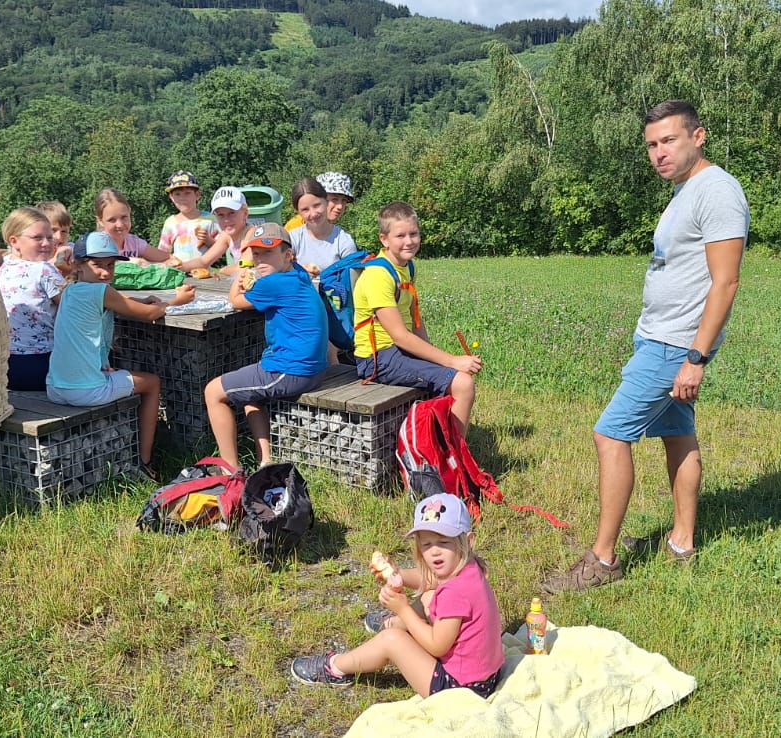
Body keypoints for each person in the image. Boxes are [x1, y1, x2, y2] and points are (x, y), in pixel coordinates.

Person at [541, 99, 748, 593]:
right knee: (677, 433)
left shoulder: (717, 191)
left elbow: (726, 282)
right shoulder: (686, 190)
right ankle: (681, 544)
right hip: (662, 336)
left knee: (611, 435)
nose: (659, 153)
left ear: (698, 136)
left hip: (675, 344)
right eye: (652, 145)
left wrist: (695, 357)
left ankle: (602, 560)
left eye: (669, 140)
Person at [290, 492, 504, 698]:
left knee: (391, 640)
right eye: (426, 544)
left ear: (468, 541)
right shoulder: (468, 567)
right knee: (429, 596)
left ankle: (336, 667)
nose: (434, 551)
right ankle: (393, 623)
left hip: (460, 690)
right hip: (484, 677)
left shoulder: (454, 592)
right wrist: (398, 574)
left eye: (444, 542)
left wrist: (403, 610)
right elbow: (431, 580)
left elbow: (437, 646)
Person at [47, 237, 195, 478]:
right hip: (85, 391)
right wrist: (177, 301)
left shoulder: (70, 290)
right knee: (152, 382)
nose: (106, 272)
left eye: (111, 265)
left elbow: (117, 303)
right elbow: (150, 314)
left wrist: (139, 301)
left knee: (121, 373)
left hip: (55, 386)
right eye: (98, 265)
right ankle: (145, 462)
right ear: (78, 264)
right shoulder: (102, 290)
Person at [202, 223, 328, 469]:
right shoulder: (298, 273)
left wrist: (242, 270)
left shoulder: (274, 283)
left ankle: (229, 468)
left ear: (288, 254)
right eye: (256, 253)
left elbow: (235, 300)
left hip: (291, 370)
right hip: (313, 368)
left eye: (267, 253)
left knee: (213, 391)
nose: (259, 260)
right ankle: (265, 461)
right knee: (250, 395)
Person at [353, 201, 481, 429]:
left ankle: (436, 440)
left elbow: (415, 322)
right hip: (377, 358)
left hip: (397, 351)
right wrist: (452, 361)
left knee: (452, 374)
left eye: (413, 234)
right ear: (384, 239)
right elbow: (400, 336)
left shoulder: (408, 267)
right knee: (462, 384)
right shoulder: (378, 275)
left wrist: (436, 357)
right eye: (400, 236)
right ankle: (452, 450)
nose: (409, 241)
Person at [0, 207, 65, 391]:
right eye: (37, 238)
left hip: (2, 367)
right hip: (42, 364)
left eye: (49, 237)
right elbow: (74, 308)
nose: (47, 243)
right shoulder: (44, 270)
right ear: (14, 241)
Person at [286, 177, 358, 277]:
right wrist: (298, 273)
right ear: (297, 211)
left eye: (317, 205)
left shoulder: (344, 242)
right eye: (305, 209)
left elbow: (352, 280)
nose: (313, 214)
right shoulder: (292, 238)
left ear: (326, 202)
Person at [157, 171, 225, 271]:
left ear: (197, 195)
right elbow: (162, 252)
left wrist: (208, 240)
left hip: (204, 273)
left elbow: (221, 250)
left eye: (187, 193)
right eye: (177, 194)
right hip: (179, 273)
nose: (182, 198)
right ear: (171, 197)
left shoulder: (210, 219)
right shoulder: (170, 222)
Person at [83, 188, 165, 266]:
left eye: (124, 217)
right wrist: (133, 262)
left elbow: (167, 258)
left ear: (129, 212)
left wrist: (155, 265)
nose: (120, 225)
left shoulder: (134, 243)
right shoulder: (97, 244)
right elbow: (103, 264)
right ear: (100, 221)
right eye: (112, 220)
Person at [284, 171, 356, 231]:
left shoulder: (334, 233)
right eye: (334, 199)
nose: (340, 206)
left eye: (344, 200)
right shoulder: (295, 228)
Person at [207, 186, 251, 275]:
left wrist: (222, 270)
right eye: (220, 215)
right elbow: (203, 261)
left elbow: (243, 267)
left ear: (245, 213)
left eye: (232, 213)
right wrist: (181, 265)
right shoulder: (226, 235)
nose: (226, 220)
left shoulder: (251, 235)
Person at [34, 200, 75, 277]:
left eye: (64, 231)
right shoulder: (34, 256)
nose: (59, 237)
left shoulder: (72, 250)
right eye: (53, 230)